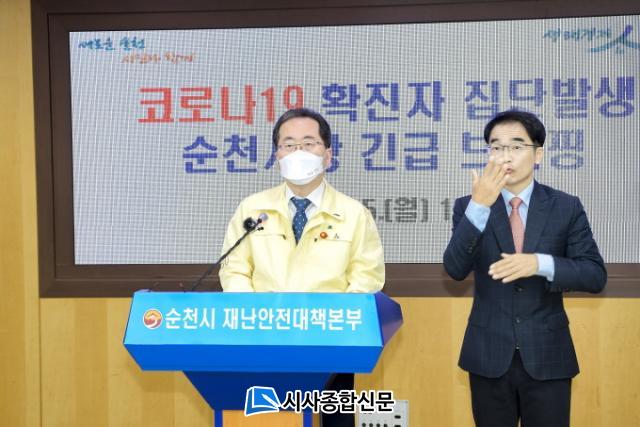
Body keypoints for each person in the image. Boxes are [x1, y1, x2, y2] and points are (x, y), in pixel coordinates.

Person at [219, 107, 385, 426]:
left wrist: (333, 325)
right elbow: (234, 270)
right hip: (264, 340)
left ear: (328, 155)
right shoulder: (252, 209)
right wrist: (256, 317)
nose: (298, 152)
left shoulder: (353, 213)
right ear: (277, 155)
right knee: (269, 419)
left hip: (332, 344)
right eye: (289, 144)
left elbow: (367, 278)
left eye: (309, 143)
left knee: (335, 422)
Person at [443, 110, 606, 427]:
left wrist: (539, 263)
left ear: (538, 154)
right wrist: (480, 205)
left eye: (516, 146)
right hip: (487, 354)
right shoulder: (468, 205)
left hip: (548, 354)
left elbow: (594, 274)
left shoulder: (565, 206)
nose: (505, 156)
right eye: (497, 147)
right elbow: (455, 269)